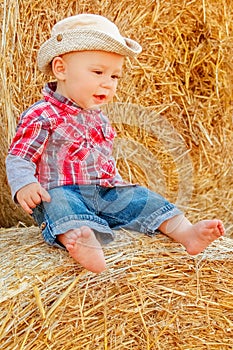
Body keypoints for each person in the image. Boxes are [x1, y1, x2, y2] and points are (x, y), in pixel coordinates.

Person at [6, 14, 224, 273]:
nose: (107, 83)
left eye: (115, 77)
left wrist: (121, 189)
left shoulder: (99, 118)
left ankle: (186, 233)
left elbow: (104, 160)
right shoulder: (42, 114)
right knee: (60, 206)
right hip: (62, 189)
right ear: (61, 69)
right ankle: (84, 242)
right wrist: (25, 184)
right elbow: (20, 156)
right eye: (98, 72)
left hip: (105, 191)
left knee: (144, 199)